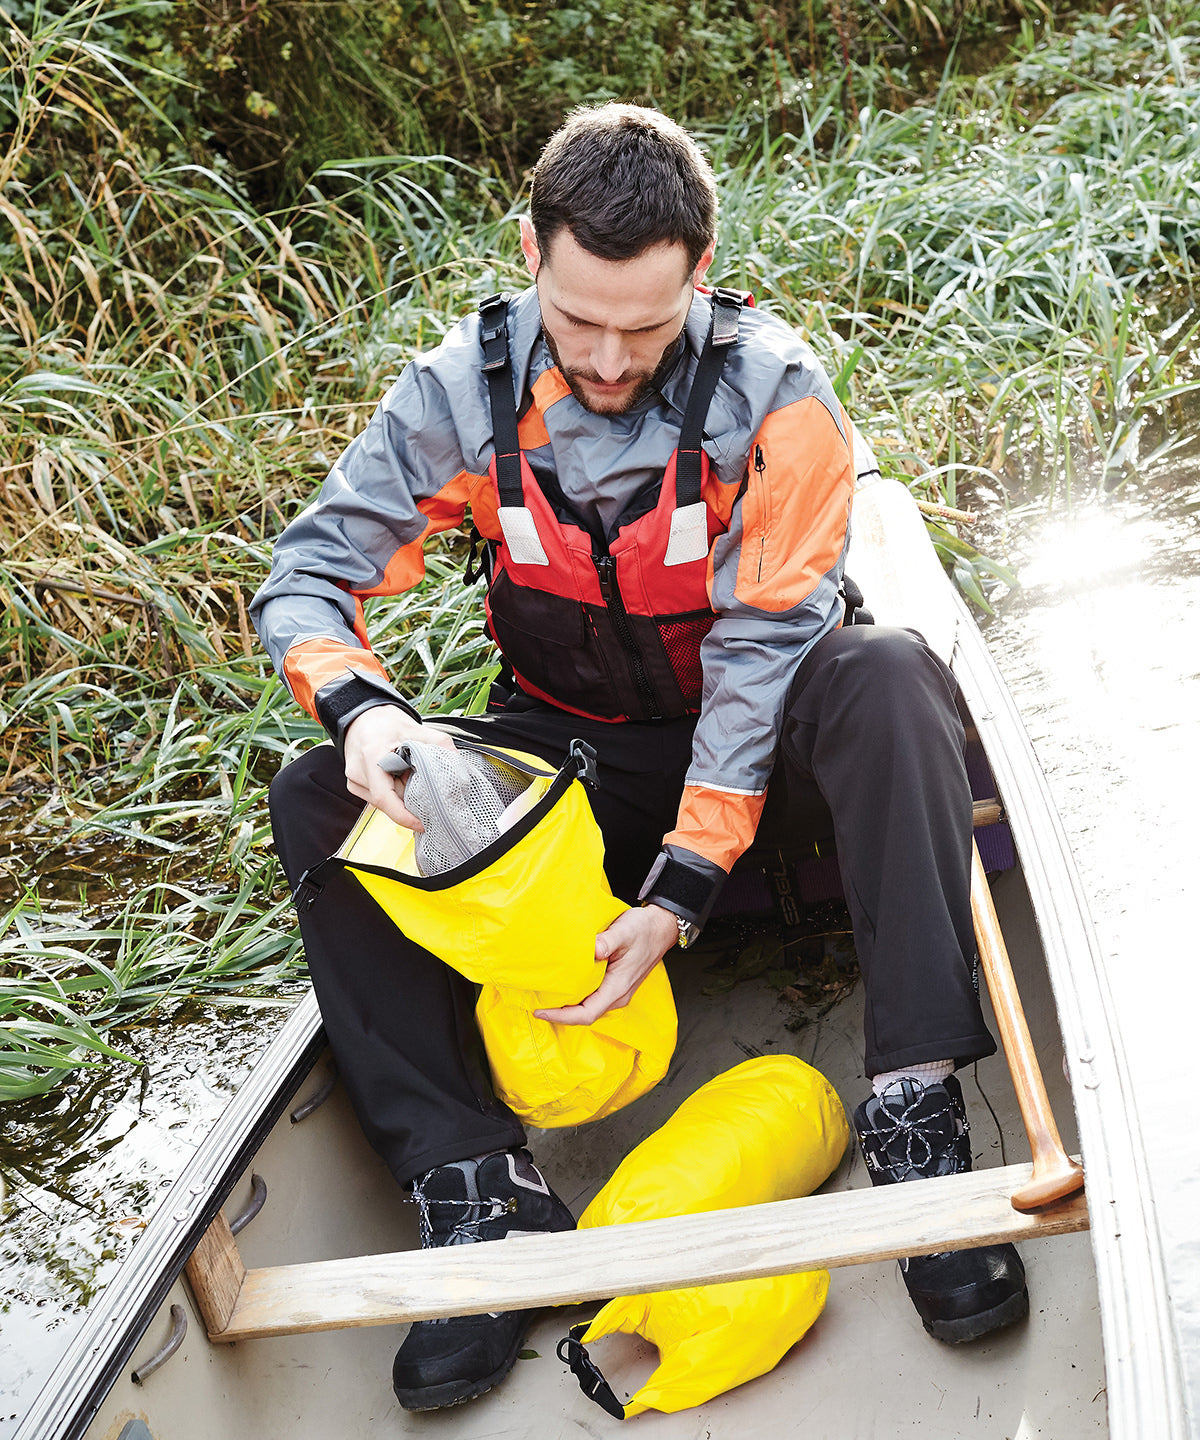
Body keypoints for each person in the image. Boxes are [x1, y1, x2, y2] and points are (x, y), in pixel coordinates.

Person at [251, 103, 1027, 1412]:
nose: (609, 359)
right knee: (318, 789)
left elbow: (762, 657)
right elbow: (309, 583)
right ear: (530, 253)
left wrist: (679, 894)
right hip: (578, 772)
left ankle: (911, 1110)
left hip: (774, 788)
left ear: (702, 276)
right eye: (579, 318)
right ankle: (480, 1193)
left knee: (889, 675)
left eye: (646, 326)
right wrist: (367, 710)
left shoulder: (779, 395)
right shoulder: (458, 387)